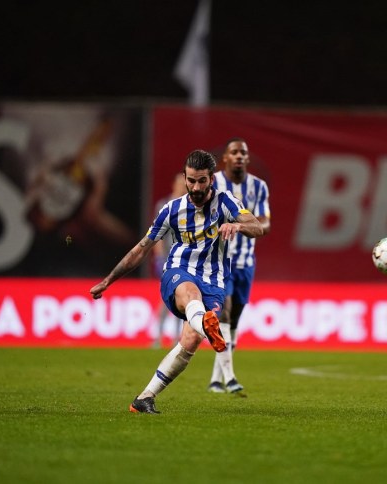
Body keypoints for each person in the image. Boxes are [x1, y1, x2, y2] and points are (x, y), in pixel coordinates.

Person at [89, 149, 264, 414]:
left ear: (211, 179)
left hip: (214, 282)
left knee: (191, 340)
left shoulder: (226, 202)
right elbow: (141, 249)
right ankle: (206, 324)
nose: (196, 187)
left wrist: (237, 226)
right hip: (178, 273)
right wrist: (108, 280)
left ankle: (144, 398)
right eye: (191, 180)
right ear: (185, 178)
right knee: (191, 294)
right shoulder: (171, 210)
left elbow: (257, 227)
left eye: (202, 181)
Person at [207, 137, 271, 395]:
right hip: (220, 261)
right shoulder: (213, 183)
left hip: (246, 263)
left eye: (243, 153)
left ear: (247, 158)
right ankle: (231, 378)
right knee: (223, 313)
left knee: (232, 322)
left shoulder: (259, 186)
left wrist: (240, 226)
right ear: (225, 158)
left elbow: (265, 223)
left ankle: (215, 379)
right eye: (234, 152)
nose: (239, 156)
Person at [150, 173, 188, 348]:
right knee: (166, 298)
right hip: (168, 259)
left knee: (182, 299)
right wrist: (159, 257)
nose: (182, 187)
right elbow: (157, 234)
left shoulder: (190, 206)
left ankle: (176, 338)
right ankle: (158, 337)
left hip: (185, 259)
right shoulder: (164, 205)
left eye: (184, 184)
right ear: (174, 185)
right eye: (180, 183)